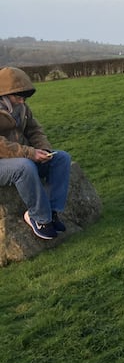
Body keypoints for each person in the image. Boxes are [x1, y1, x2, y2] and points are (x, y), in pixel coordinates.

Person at [0, 67, 72, 240]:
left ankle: (52, 212)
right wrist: (30, 153)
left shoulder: (22, 108)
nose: (22, 101)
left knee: (61, 158)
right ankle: (39, 218)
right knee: (24, 167)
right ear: (4, 94)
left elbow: (35, 131)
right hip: (9, 162)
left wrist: (44, 150)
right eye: (18, 97)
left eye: (24, 97)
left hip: (21, 157)